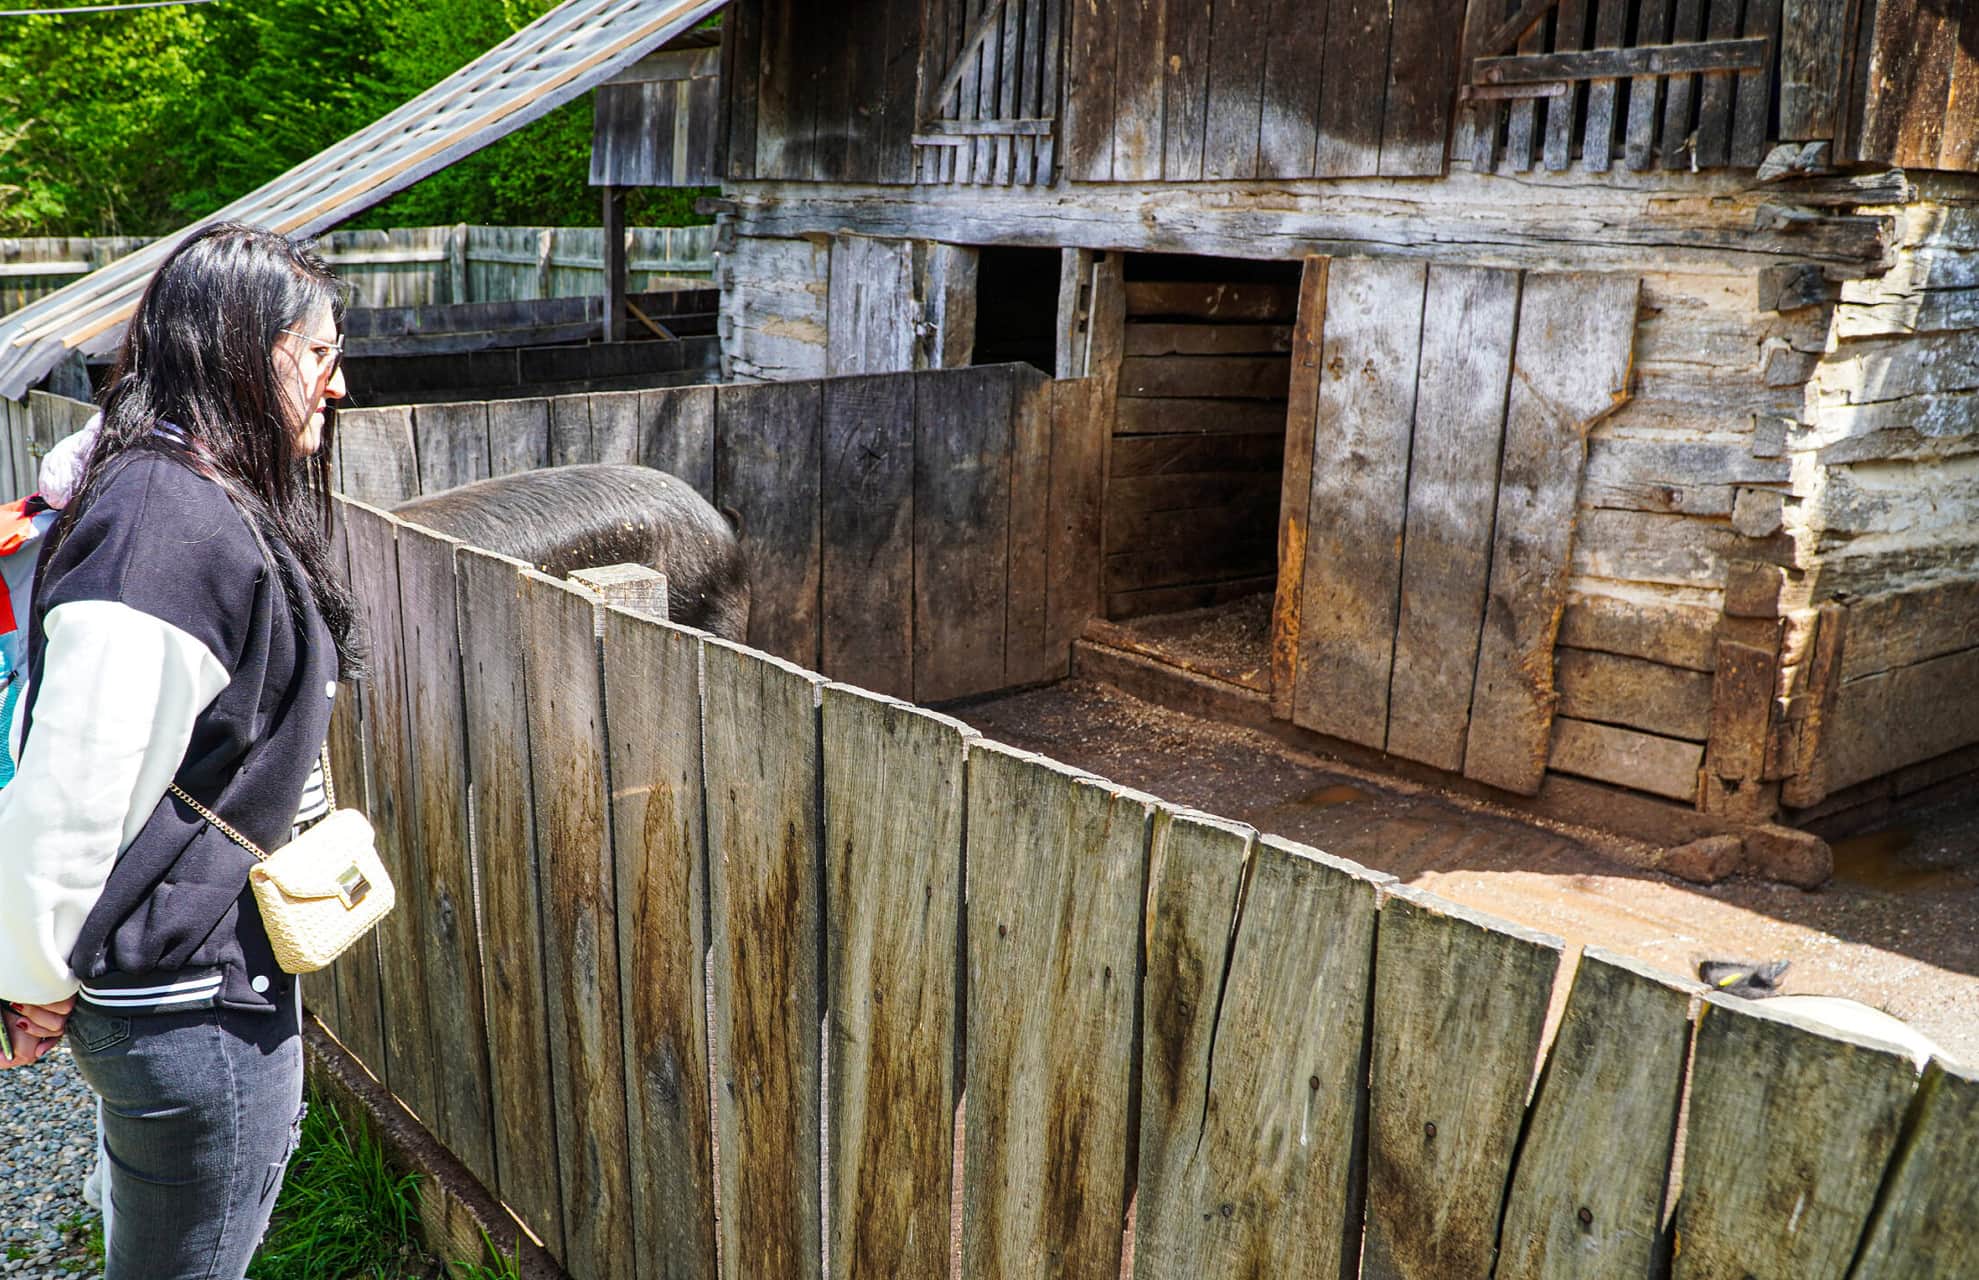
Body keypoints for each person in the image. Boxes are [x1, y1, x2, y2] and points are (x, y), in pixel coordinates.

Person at [0, 221, 361, 1280]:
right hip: (185, 1003)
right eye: (321, 355)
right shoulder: (168, 528)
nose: (337, 387)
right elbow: (72, 795)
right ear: (248, 355)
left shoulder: (177, 496)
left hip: (192, 988)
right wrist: (25, 979)